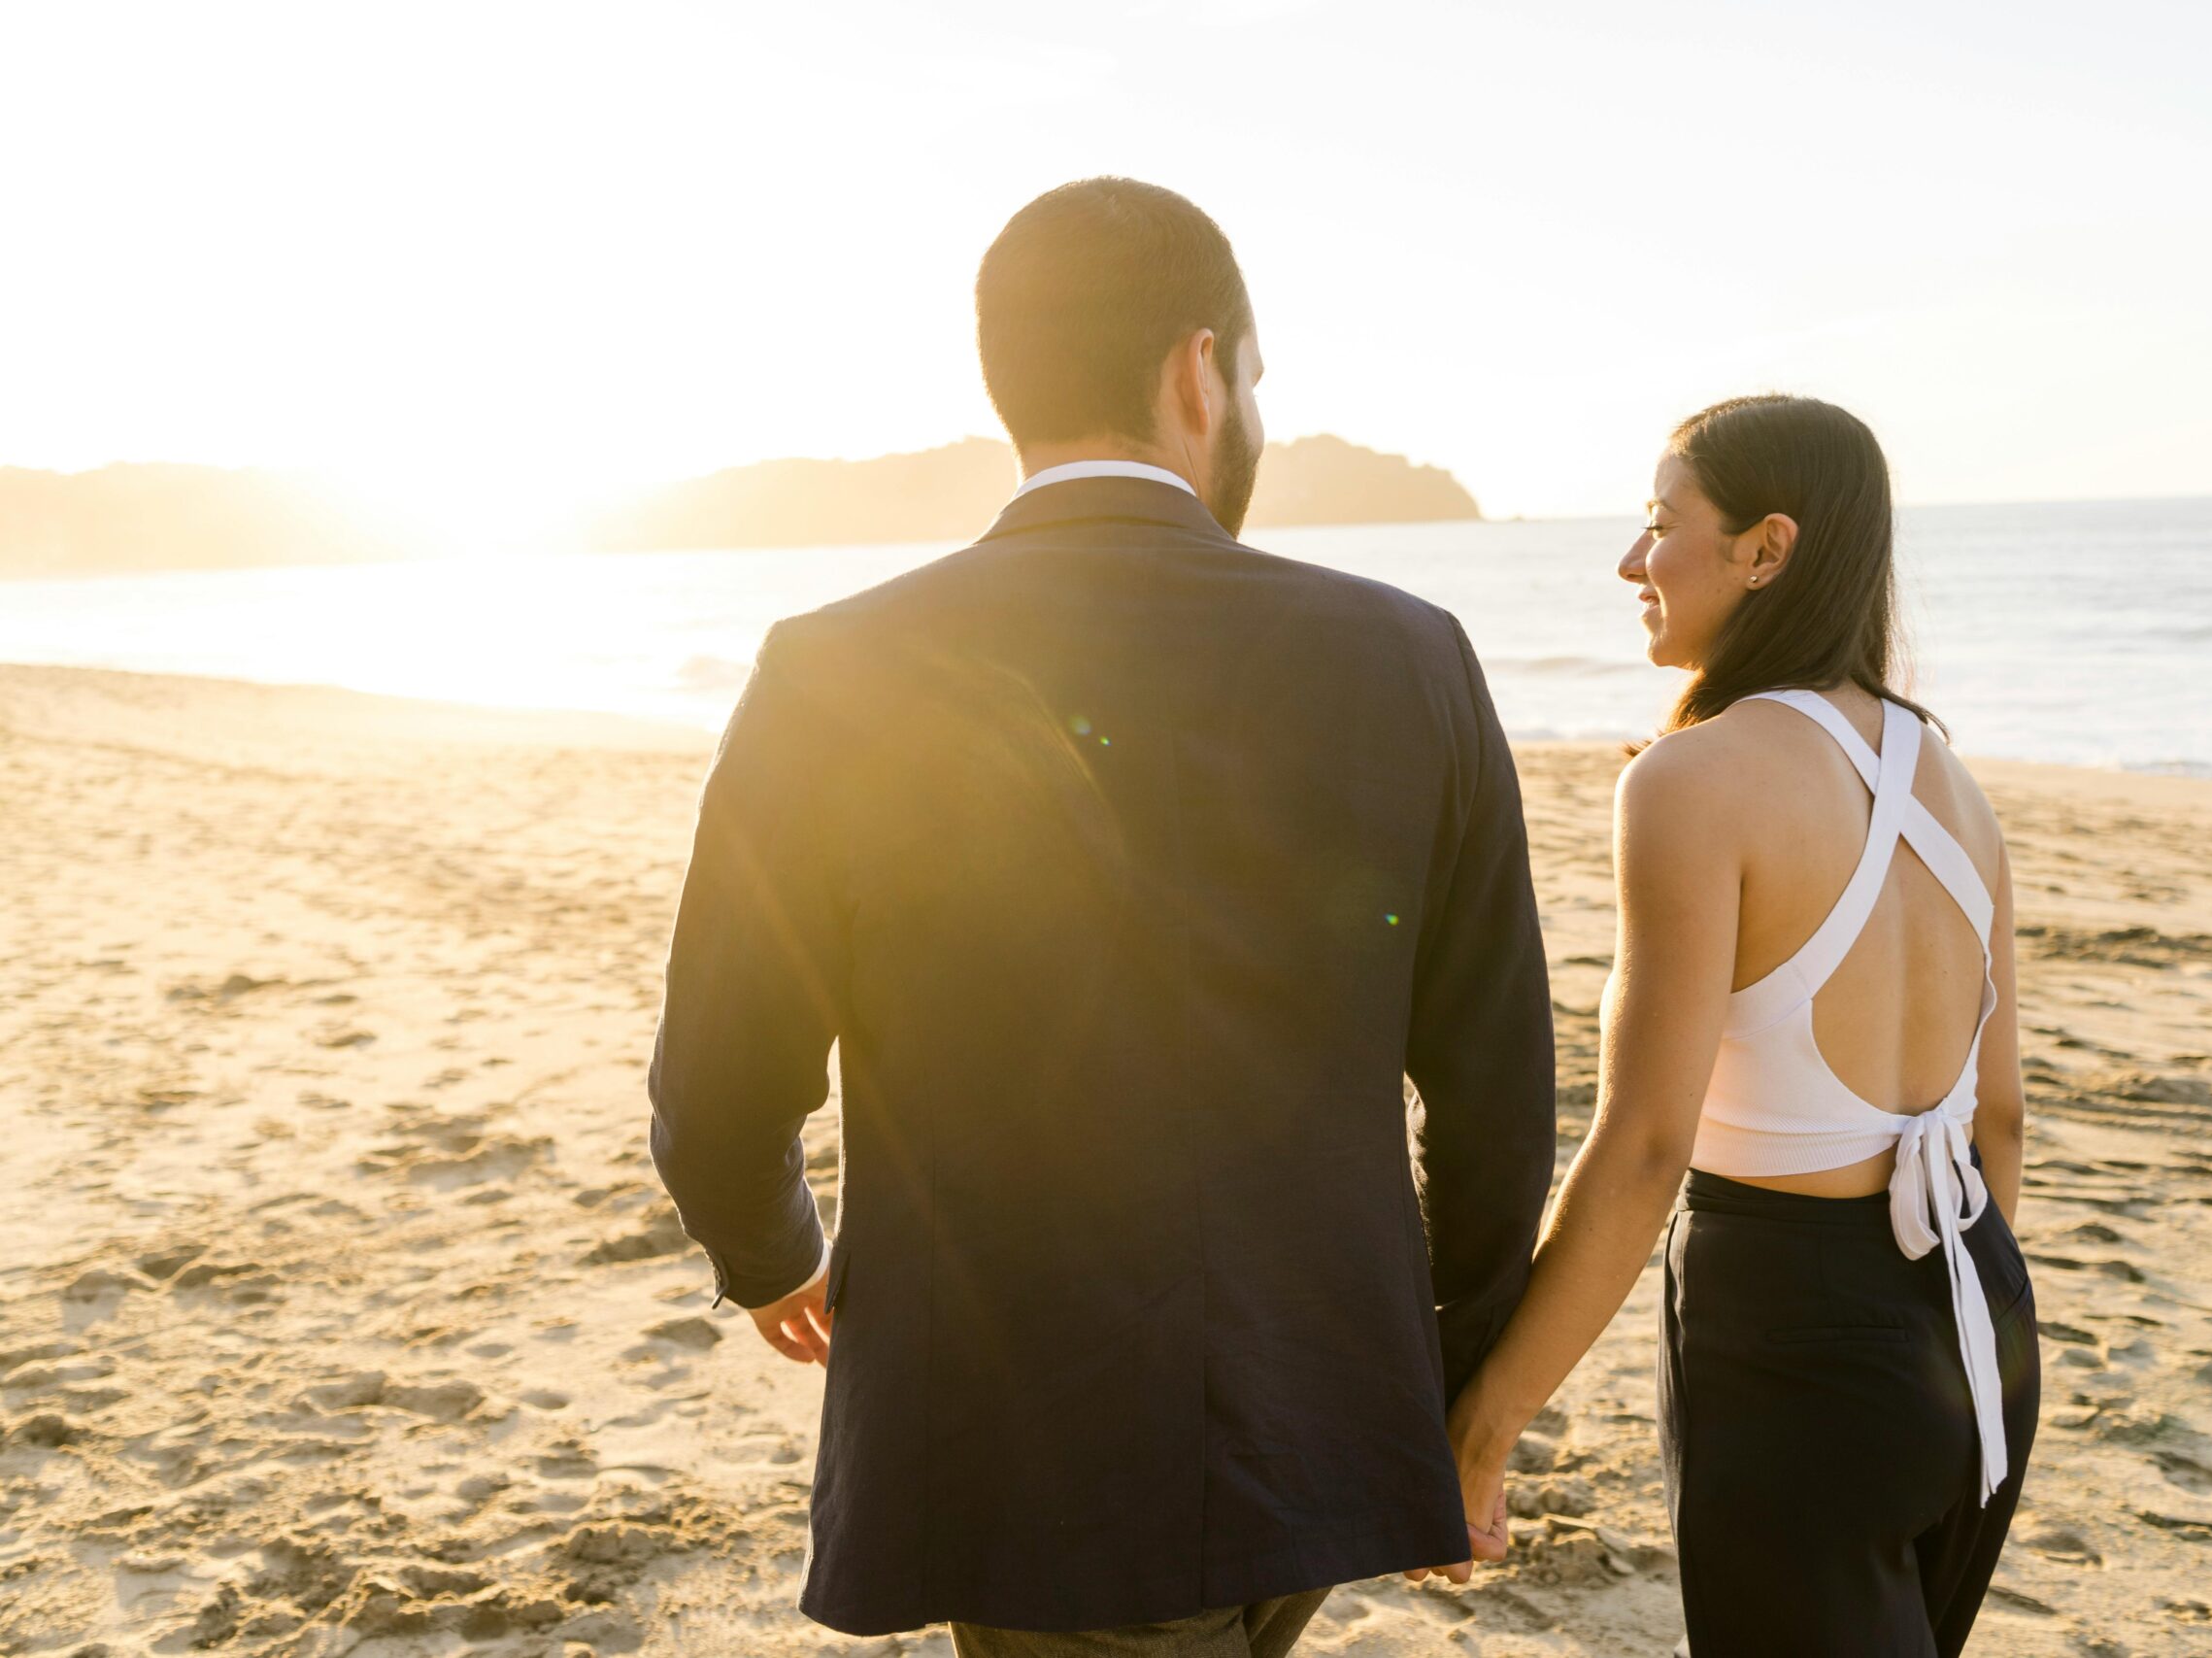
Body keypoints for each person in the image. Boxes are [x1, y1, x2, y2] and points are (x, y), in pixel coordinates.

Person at [646, 177, 1556, 1655]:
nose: (1248, 410)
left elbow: (720, 1078)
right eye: (1253, 378)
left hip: (1020, 1425)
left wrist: (773, 1253)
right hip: (1324, 1403)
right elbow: (1498, 1084)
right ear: (1200, 371)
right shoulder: (1412, 656)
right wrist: (1448, 1368)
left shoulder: (833, 668)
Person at [1437, 395, 2041, 1656]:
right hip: (1978, 1323)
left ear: (1768, 548)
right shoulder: (1953, 781)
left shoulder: (1694, 782)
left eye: (1662, 525)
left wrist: (1481, 1432)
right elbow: (2000, 1122)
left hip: (1790, 1342)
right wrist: (1929, 1329)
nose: (1631, 562)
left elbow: (1645, 1148)